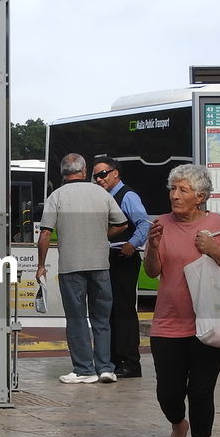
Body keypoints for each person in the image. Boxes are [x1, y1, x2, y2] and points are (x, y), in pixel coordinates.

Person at [145, 164, 220, 437]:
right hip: (167, 324)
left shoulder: (216, 225)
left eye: (182, 190)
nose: (174, 195)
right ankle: (178, 425)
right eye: (172, 189)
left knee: (201, 390)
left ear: (200, 196)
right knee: (168, 393)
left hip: (210, 324)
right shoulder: (161, 224)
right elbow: (151, 272)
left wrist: (213, 249)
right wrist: (153, 246)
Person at [36, 153, 128, 384]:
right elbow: (122, 223)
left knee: (76, 319)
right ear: (85, 171)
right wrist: (100, 236)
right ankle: (106, 368)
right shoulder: (101, 193)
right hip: (100, 265)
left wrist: (40, 265)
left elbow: (45, 233)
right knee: (101, 319)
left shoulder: (55, 196)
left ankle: (84, 369)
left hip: (71, 267)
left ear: (62, 173)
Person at [91, 156, 150, 378]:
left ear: (116, 173)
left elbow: (144, 223)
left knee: (123, 310)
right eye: (95, 175)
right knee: (110, 309)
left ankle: (130, 362)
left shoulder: (127, 196)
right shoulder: (104, 197)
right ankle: (114, 359)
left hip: (122, 257)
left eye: (103, 174)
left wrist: (132, 244)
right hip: (107, 257)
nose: (99, 179)